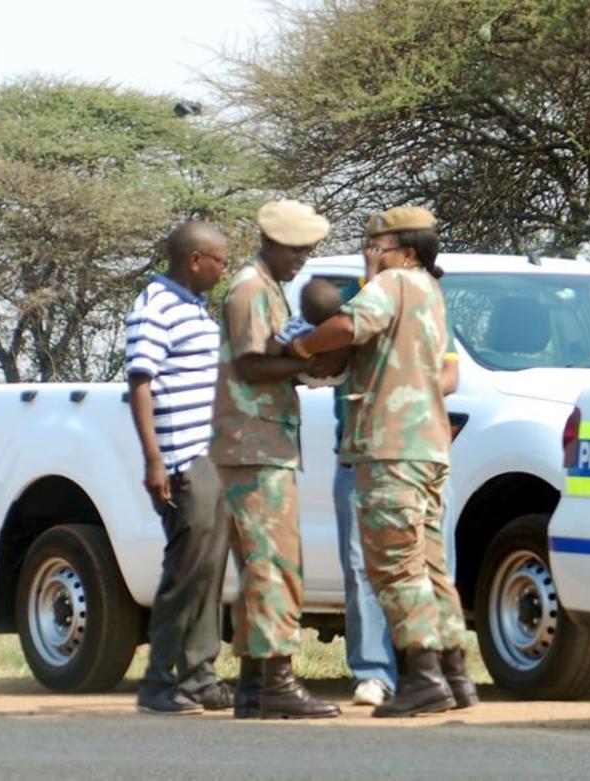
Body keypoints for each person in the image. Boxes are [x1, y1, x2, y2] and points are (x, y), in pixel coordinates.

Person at [287, 205, 476, 718]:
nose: (371, 254)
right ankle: (455, 674)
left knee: (394, 564)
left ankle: (424, 676)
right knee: (432, 566)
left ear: (406, 251)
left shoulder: (392, 286)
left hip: (391, 445)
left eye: (378, 246)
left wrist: (301, 347)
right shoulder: (430, 291)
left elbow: (348, 327)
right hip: (427, 445)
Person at [209, 200, 340, 720]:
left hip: (258, 441)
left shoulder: (265, 287)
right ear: (274, 243)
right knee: (274, 566)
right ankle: (278, 681)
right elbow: (252, 362)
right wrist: (305, 360)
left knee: (259, 565)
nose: (302, 261)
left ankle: (253, 685)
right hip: (254, 444)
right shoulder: (250, 289)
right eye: (298, 250)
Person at [125, 220, 233, 716]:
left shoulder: (195, 309)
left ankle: (199, 677)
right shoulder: (155, 307)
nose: (223, 269)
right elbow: (141, 383)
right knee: (185, 573)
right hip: (181, 460)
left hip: (207, 456)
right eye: (220, 260)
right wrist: (155, 460)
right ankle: (157, 682)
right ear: (195, 259)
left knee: (208, 573)